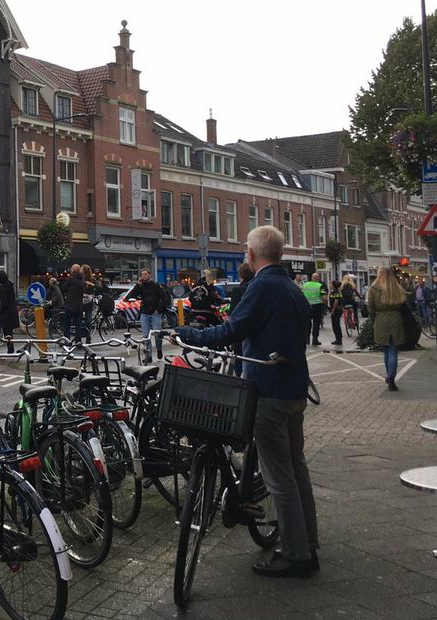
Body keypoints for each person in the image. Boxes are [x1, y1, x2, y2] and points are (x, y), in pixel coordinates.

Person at [173, 226, 318, 577]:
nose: (243, 257)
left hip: (268, 392)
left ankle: (295, 556)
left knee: (278, 477)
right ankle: (308, 544)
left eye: (244, 252)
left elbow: (230, 331)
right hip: (295, 391)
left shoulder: (262, 287)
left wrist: (186, 333)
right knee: (297, 471)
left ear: (252, 255)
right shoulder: (292, 288)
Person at [366, 267, 407, 391]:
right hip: (396, 318)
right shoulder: (397, 288)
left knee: (386, 349)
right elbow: (403, 304)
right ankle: (391, 378)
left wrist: (374, 320)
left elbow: (370, 307)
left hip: (381, 319)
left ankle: (389, 375)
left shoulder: (374, 289)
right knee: (393, 350)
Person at [125, 268, 168, 363]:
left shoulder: (156, 286)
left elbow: (164, 298)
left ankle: (159, 348)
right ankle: (148, 355)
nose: (143, 276)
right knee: (145, 336)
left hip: (155, 313)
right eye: (142, 274)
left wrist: (159, 309)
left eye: (145, 274)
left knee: (157, 334)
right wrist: (137, 284)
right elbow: (131, 295)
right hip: (145, 312)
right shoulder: (141, 286)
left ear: (150, 275)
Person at [0, 271, 19, 353]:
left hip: (6, 314)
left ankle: (10, 350)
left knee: (7, 332)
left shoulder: (2, 288)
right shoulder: (10, 285)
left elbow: (4, 303)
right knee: (9, 333)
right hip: (12, 313)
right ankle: (10, 349)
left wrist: (0, 312)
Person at [62, 264, 87, 342]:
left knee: (67, 324)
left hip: (70, 305)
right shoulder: (82, 281)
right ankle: (78, 341)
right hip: (79, 306)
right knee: (78, 325)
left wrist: (66, 294)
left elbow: (63, 288)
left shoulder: (70, 279)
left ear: (73, 270)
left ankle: (67, 341)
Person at [302, 273, 327, 346]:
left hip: (307, 306)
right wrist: (325, 303)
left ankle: (307, 339)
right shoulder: (320, 286)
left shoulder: (305, 285)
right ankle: (315, 340)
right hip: (317, 306)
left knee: (307, 323)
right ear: (318, 278)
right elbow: (324, 297)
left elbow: (302, 294)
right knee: (316, 323)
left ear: (311, 278)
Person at [328, 281, 343, 346]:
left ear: (333, 285)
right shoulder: (334, 291)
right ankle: (338, 338)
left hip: (336, 310)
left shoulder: (336, 291)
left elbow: (336, 301)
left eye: (331, 284)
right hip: (336, 309)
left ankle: (339, 339)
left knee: (336, 324)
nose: (330, 285)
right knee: (335, 324)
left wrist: (333, 309)